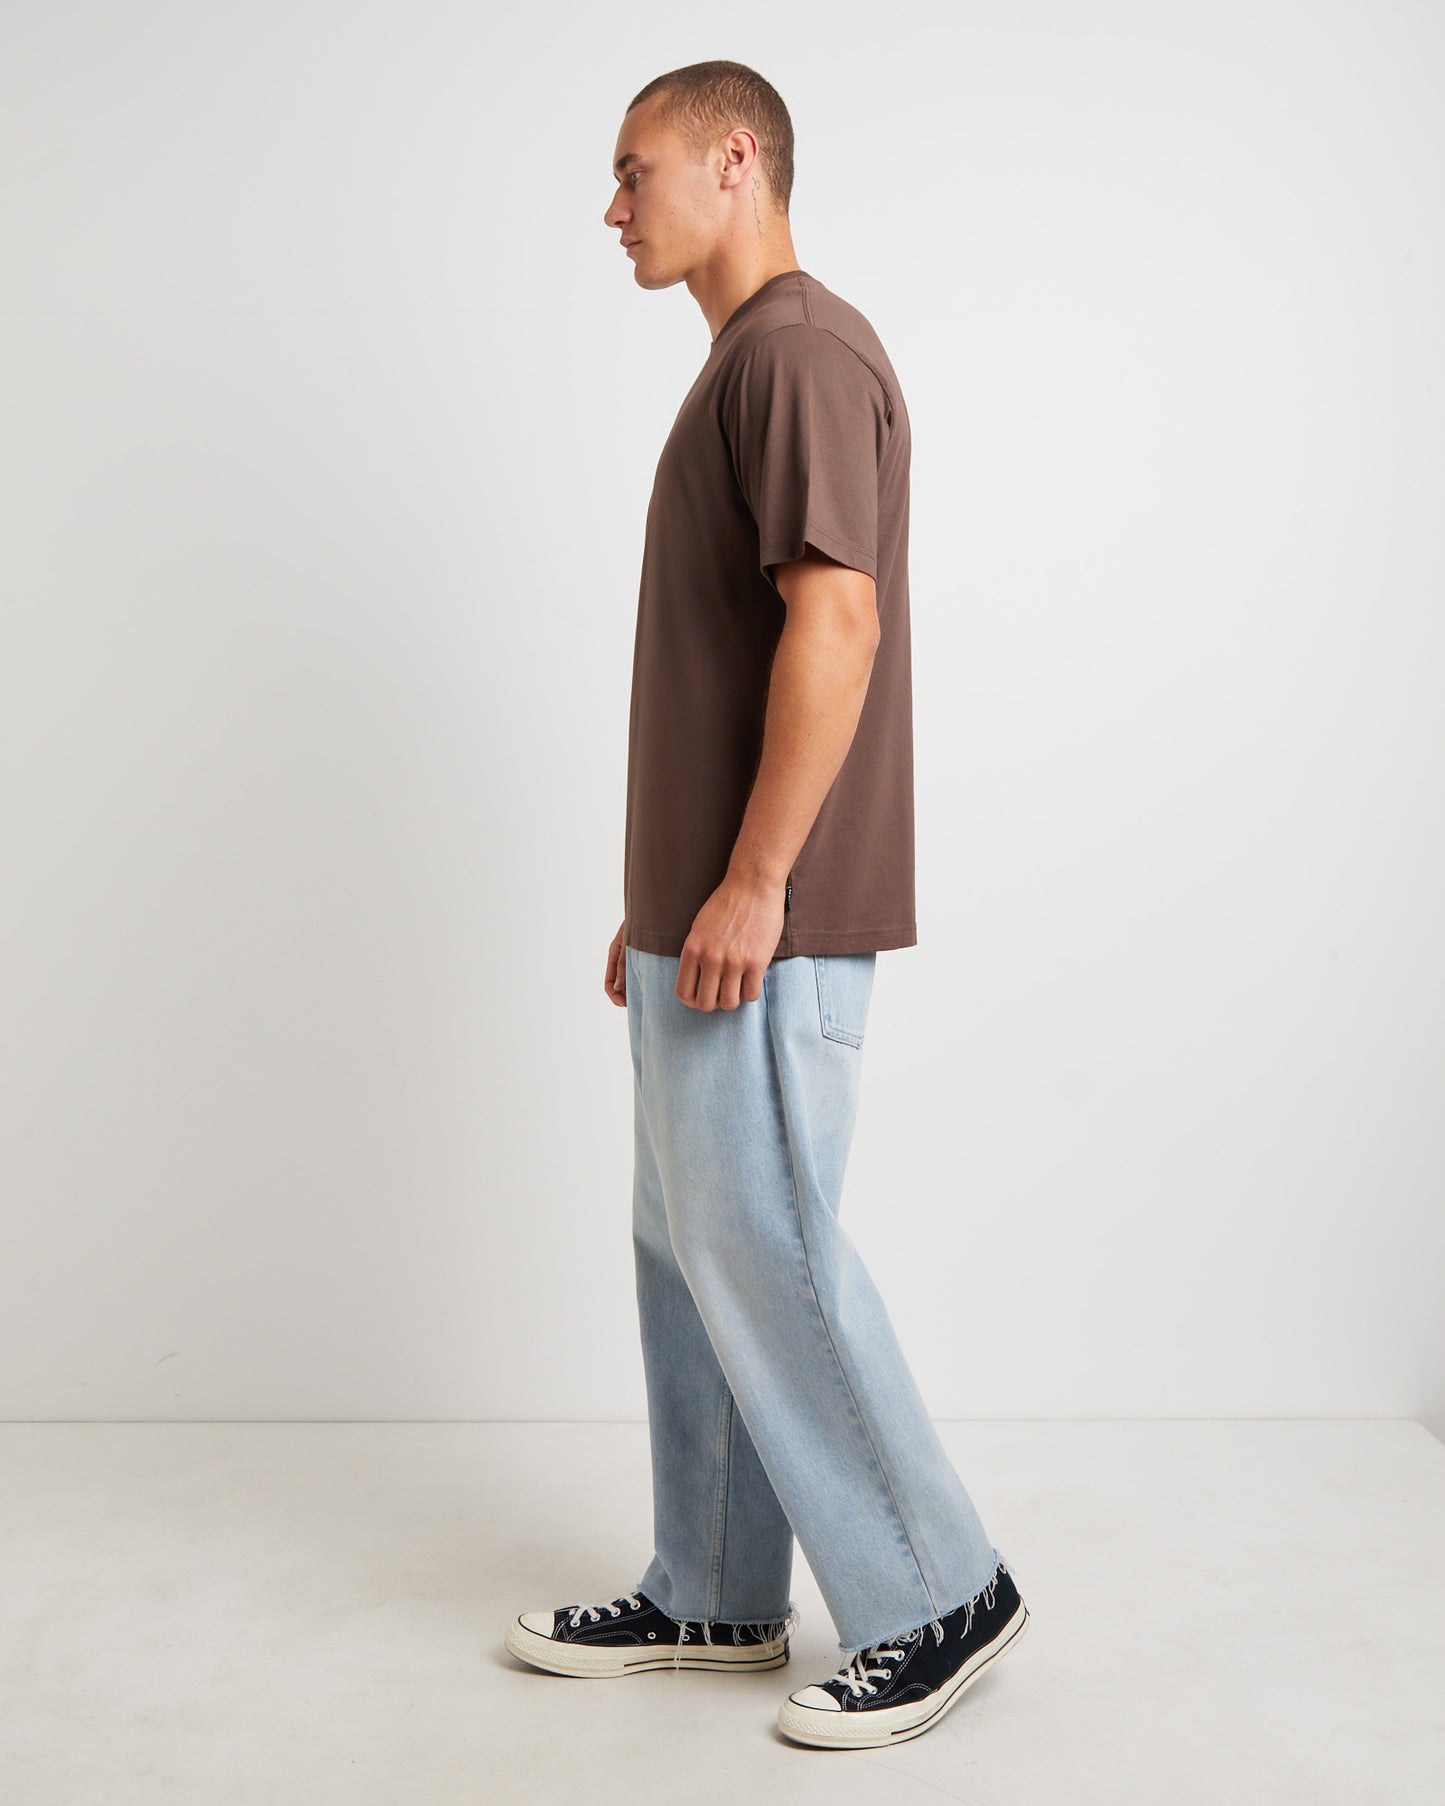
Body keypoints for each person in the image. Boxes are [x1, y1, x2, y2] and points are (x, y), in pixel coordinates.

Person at [505, 60, 1029, 1750]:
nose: (611, 208)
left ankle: (937, 1590)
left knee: (768, 1243)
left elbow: (836, 622)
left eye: (633, 171)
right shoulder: (748, 361)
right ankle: (716, 1587)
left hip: (769, 919)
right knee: (694, 1250)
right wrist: (673, 889)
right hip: (709, 915)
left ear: (735, 160)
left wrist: (749, 880)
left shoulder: (796, 351)